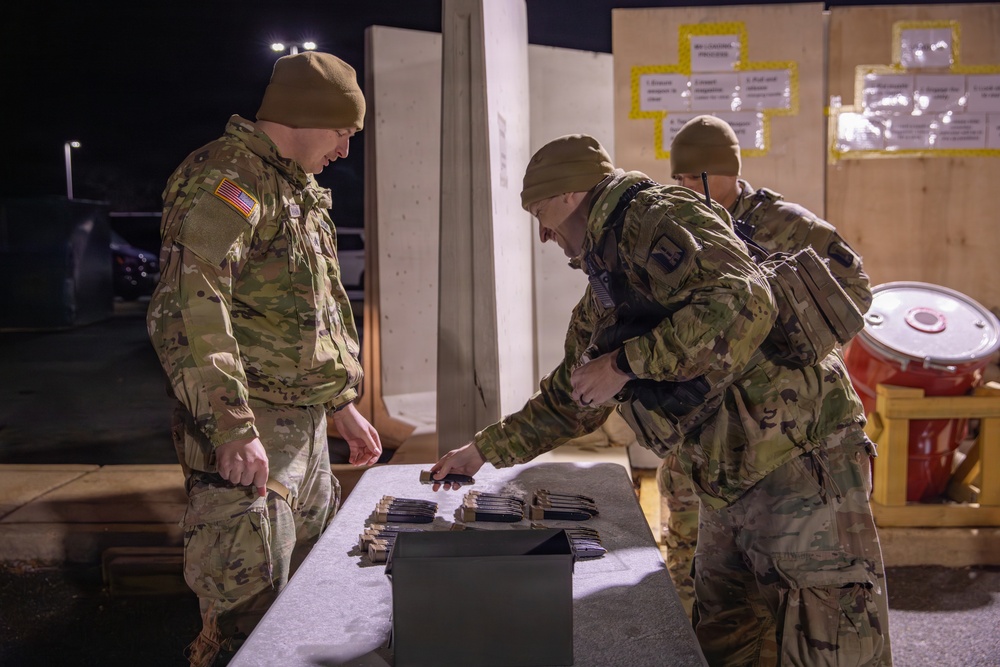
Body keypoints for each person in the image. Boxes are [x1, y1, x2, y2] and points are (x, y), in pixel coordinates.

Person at [430, 133, 891, 665]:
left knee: (829, 645)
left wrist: (623, 365)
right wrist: (482, 451)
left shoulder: (655, 216)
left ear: (568, 194)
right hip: (728, 478)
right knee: (727, 644)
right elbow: (575, 393)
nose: (543, 234)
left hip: (798, 463)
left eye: (540, 214)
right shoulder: (608, 275)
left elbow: (743, 300)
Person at [147, 51, 382, 666]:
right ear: (306, 117)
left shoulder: (293, 187)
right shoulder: (228, 179)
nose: (345, 150)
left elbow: (311, 312)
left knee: (305, 612)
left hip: (304, 436)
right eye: (342, 133)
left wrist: (341, 405)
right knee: (246, 629)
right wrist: (231, 425)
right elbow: (189, 309)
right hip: (253, 437)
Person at [661, 114, 875, 617]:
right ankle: (689, 633)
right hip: (703, 414)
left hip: (777, 422)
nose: (685, 187)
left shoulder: (787, 225)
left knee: (775, 554)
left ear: (727, 172)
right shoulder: (683, 228)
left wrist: (789, 338)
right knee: (689, 539)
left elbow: (855, 293)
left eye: (693, 177)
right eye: (678, 178)